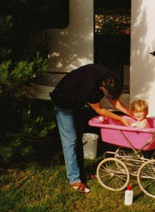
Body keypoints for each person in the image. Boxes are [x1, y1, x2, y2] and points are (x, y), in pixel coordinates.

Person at [50, 64, 132, 193]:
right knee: (70, 140)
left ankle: (81, 172)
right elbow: (99, 109)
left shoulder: (110, 78)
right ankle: (74, 180)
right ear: (101, 87)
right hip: (64, 101)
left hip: (76, 100)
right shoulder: (91, 87)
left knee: (78, 137)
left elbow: (114, 101)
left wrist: (130, 113)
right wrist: (120, 119)